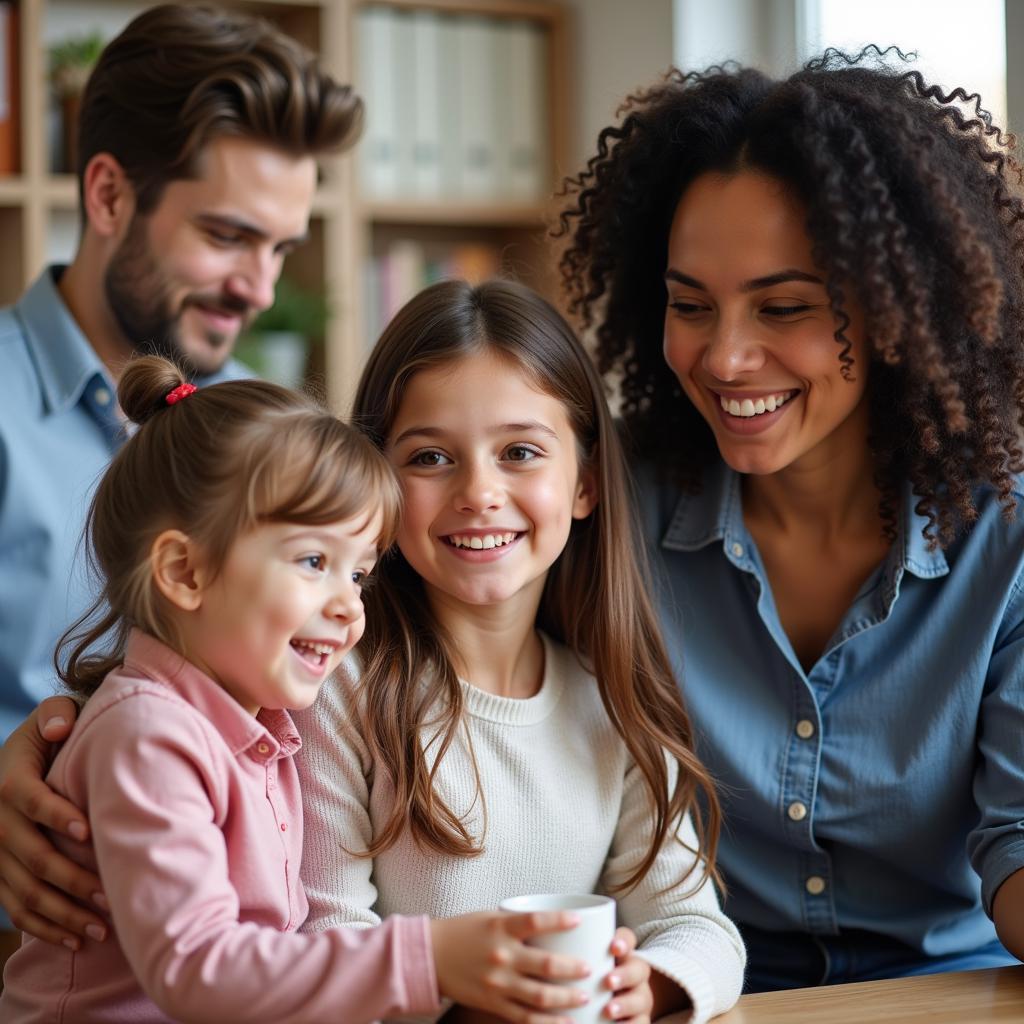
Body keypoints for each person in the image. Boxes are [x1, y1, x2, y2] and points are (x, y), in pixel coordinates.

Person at [549, 46, 1024, 990]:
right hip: (694, 991)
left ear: (897, 312)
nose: (724, 358)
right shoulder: (608, 513)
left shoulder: (1004, 535)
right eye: (691, 305)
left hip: (949, 999)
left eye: (785, 308)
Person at [0, 355, 604, 1023]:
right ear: (185, 572)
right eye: (315, 562)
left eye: (360, 575)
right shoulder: (148, 736)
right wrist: (428, 958)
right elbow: (199, 969)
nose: (350, 607)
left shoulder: (258, 726)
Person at [292, 278, 744, 1024]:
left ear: (586, 483)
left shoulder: (611, 702)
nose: (479, 491)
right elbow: (321, 943)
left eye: (521, 452)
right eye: (431, 457)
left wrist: (647, 986)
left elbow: (699, 930)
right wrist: (465, 989)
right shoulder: (337, 689)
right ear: (377, 484)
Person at [0, 1, 362, 747]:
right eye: (228, 236)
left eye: (281, 250)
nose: (259, 290)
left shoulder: (271, 432)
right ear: (108, 196)